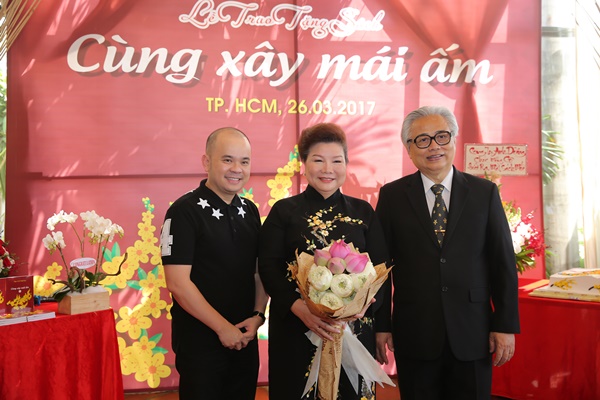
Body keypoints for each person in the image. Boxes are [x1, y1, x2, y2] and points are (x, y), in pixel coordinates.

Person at [374, 105, 520, 400]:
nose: (434, 147)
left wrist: (505, 324)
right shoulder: (392, 196)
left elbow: (502, 262)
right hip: (415, 331)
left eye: (442, 136)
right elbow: (380, 268)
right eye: (422, 140)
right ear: (408, 149)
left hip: (473, 330)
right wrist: (380, 326)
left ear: (454, 139)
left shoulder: (484, 193)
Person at [259, 122, 389, 400]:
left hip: (354, 328)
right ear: (304, 164)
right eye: (318, 160)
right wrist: (300, 308)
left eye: (336, 161)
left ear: (346, 164)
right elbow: (269, 266)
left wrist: (367, 313)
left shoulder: (363, 211)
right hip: (298, 326)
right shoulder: (284, 211)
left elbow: (380, 271)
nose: (328, 169)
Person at [160, 127, 268, 400]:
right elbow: (177, 283)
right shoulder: (183, 212)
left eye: (244, 161)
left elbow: (259, 272)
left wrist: (257, 316)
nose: (237, 169)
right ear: (206, 162)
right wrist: (223, 328)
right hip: (201, 342)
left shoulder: (250, 210)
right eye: (227, 160)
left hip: (244, 337)